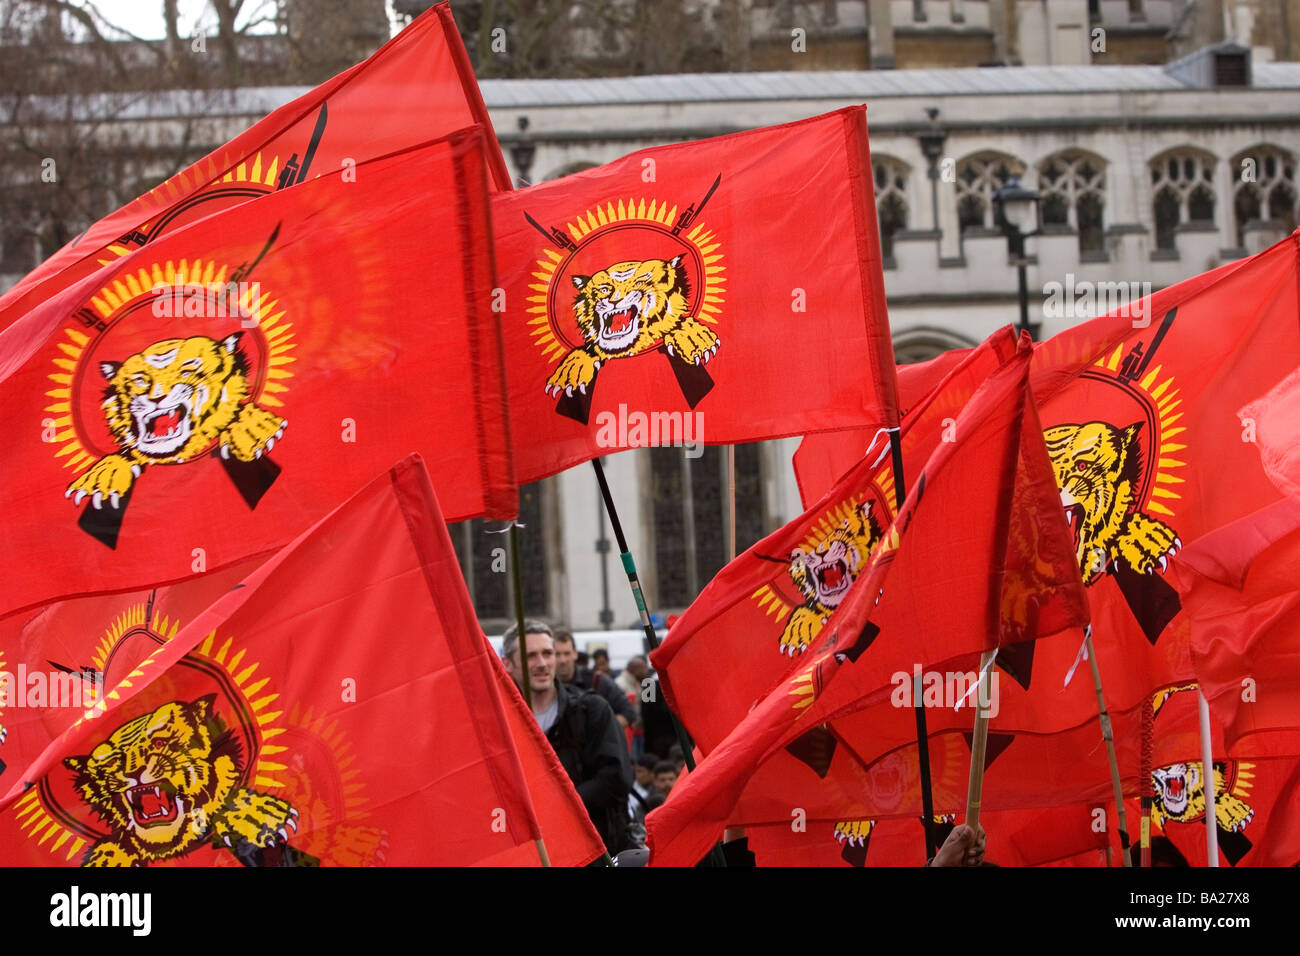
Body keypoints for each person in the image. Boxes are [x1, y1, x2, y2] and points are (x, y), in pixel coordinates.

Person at [502, 619, 632, 854]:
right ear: (508, 664)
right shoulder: (500, 723)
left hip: (593, 848)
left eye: (547, 653)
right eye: (531, 656)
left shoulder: (591, 709)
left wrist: (557, 805)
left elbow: (617, 777)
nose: (542, 664)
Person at [552, 628, 636, 729]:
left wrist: (603, 732)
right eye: (557, 654)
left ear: (575, 654)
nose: (563, 660)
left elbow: (628, 712)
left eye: (567, 653)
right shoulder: (543, 685)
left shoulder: (598, 681)